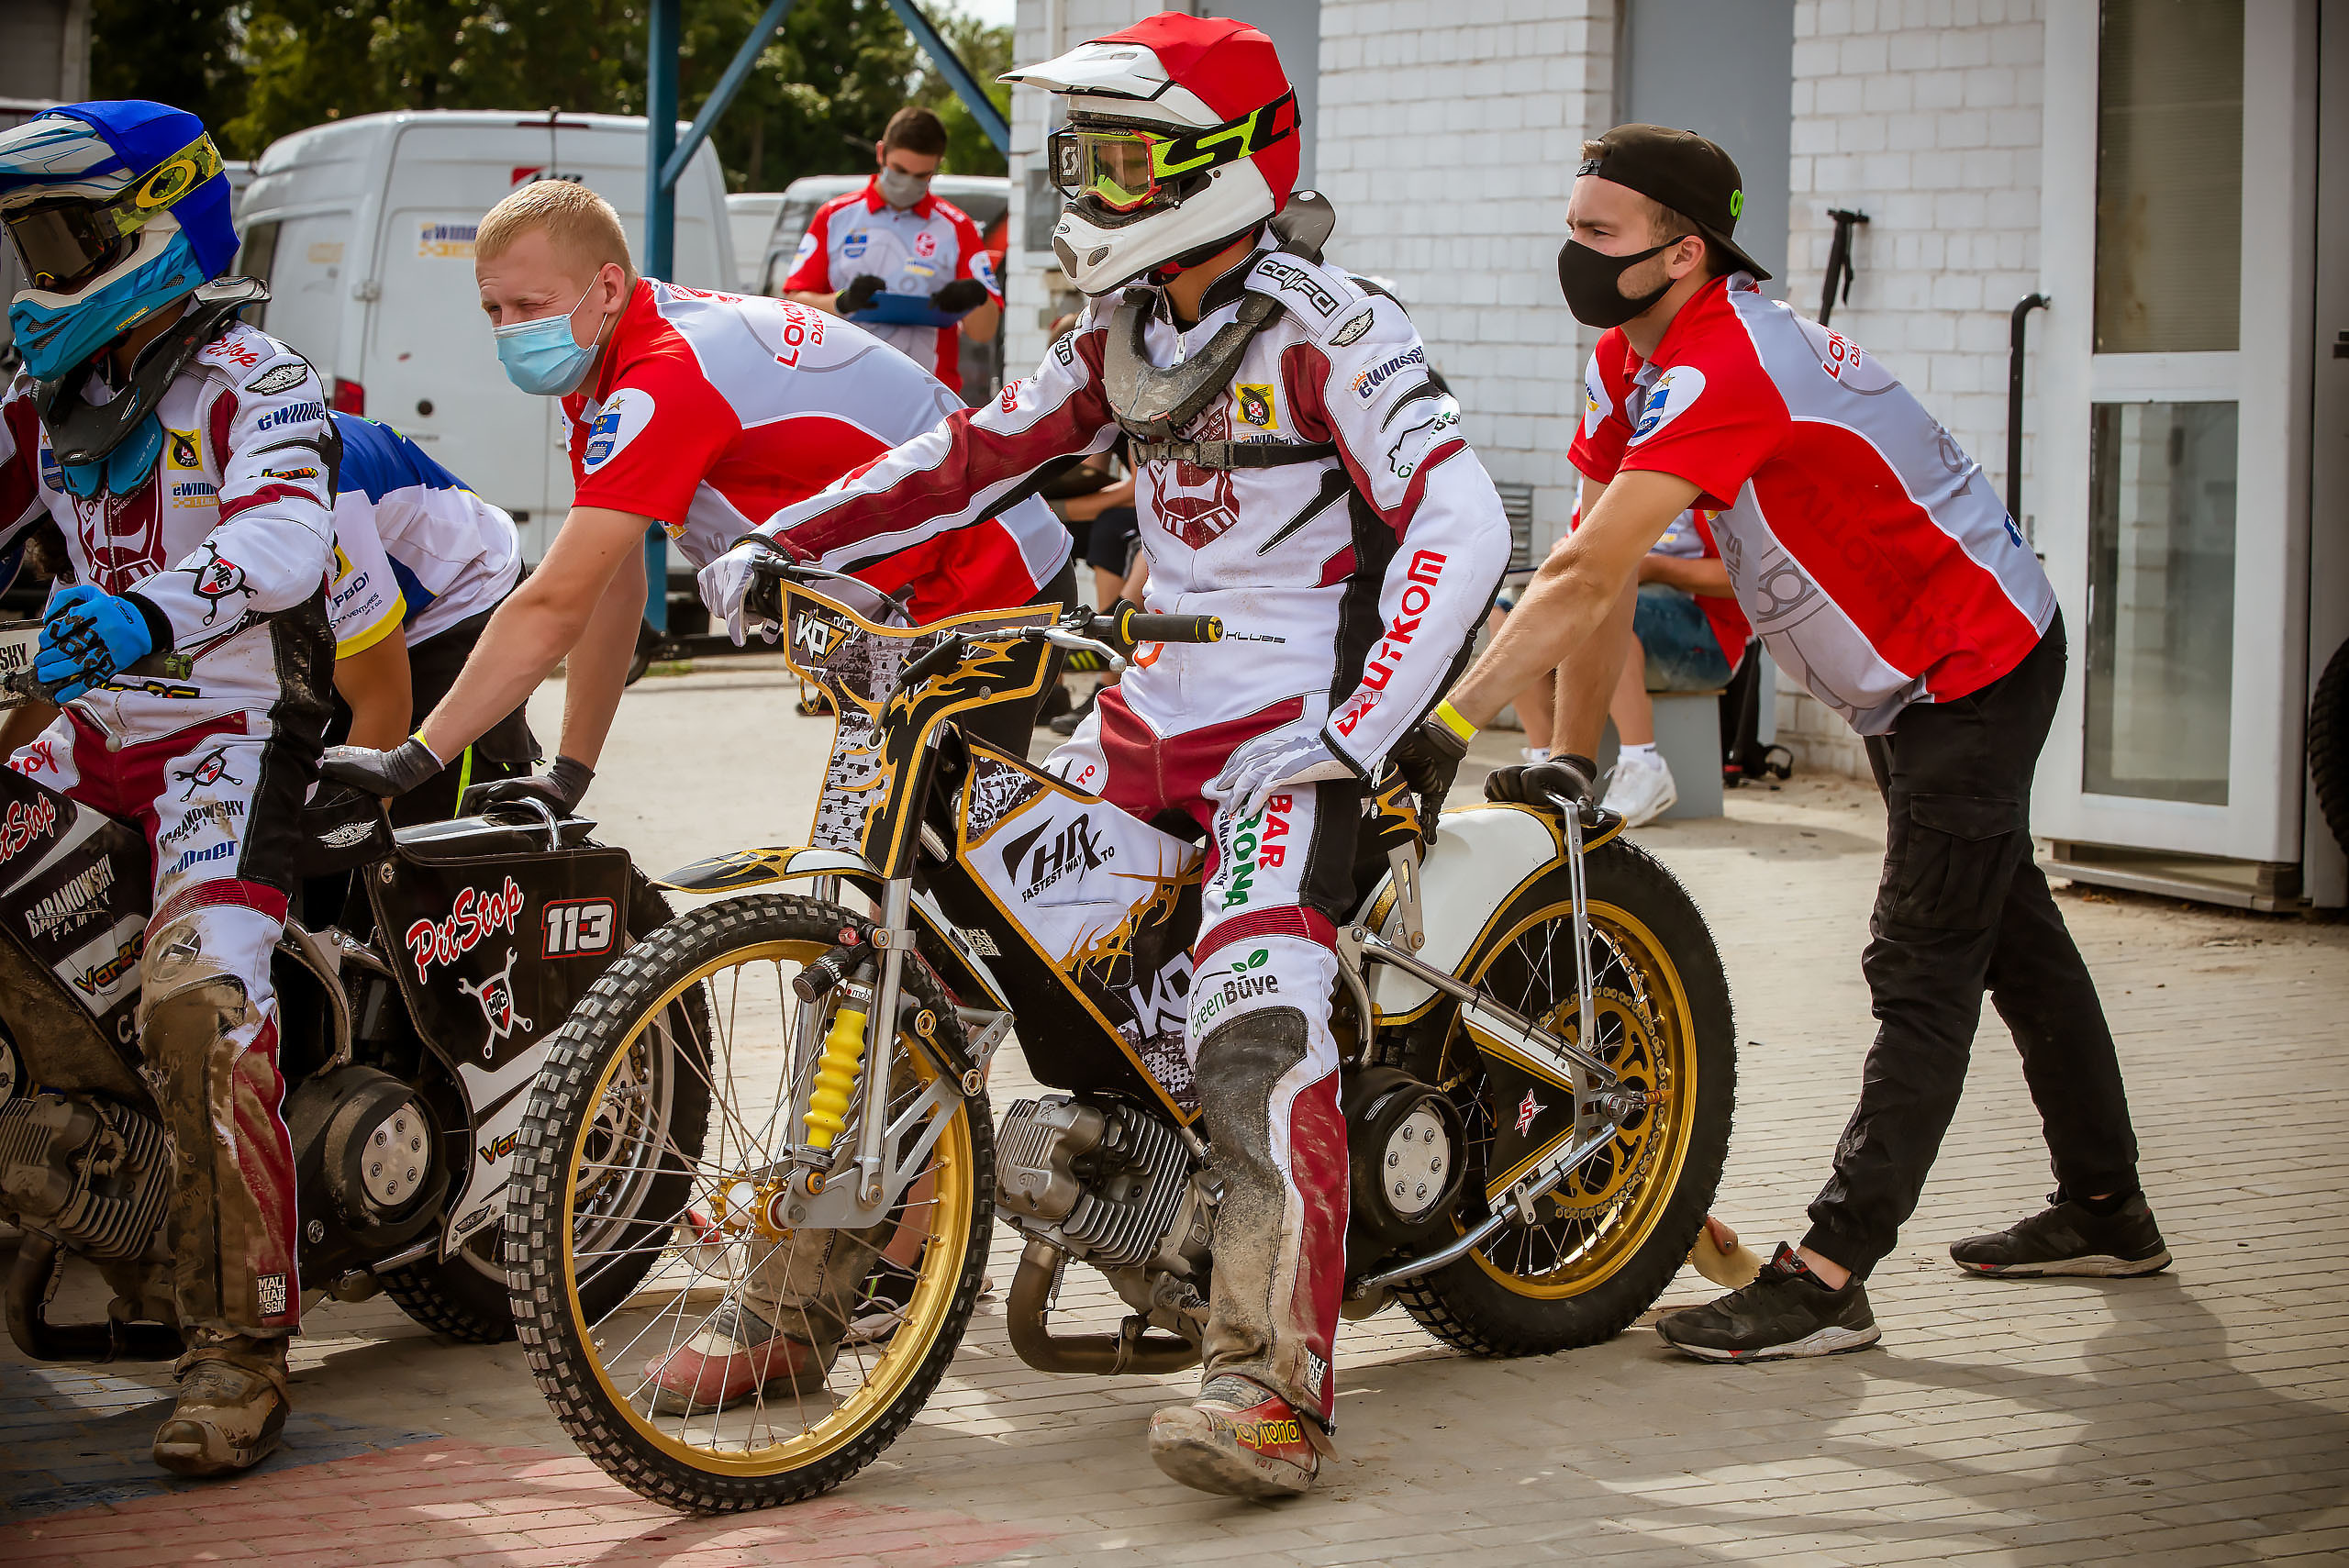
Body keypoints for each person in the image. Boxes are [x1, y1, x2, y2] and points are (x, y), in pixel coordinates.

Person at [702, 12, 1510, 1499]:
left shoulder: (1334, 327)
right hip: (1148, 711)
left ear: (1226, 163)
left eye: (1125, 159)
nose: (1094, 185)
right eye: (1088, 157)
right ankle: (795, 1309)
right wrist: (785, 539)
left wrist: (1357, 732)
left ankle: (1272, 1387)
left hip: (1300, 734)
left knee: (1255, 1015)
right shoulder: (1121, 324)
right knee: (944, 940)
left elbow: (1462, 523)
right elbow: (968, 456)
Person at [1446, 123, 2165, 1364]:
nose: (1574, 253)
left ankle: (1830, 1275)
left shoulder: (1728, 362)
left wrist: (1447, 722)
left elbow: (1585, 574)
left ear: (1683, 252)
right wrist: (1570, 764)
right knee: (2014, 938)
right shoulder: (1628, 359)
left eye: (1599, 233)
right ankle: (2108, 1206)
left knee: (1922, 962)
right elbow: (1593, 570)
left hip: (1973, 665)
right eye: (1570, 227)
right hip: (1909, 682)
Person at [316, 179, 1072, 815]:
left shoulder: (664, 377)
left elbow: (554, 604)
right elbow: (611, 584)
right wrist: (569, 774)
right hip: (898, 600)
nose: (510, 331)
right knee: (886, 864)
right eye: (495, 311)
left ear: (607, 287)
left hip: (989, 578)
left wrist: (416, 757)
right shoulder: (600, 368)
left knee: (940, 871)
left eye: (531, 306)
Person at [0, 100, 338, 1474]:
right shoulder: (41, 392)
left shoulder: (258, 375)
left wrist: (149, 609)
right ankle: (107, 1203)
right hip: (93, 718)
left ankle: (238, 1345)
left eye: (65, 233)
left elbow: (291, 533)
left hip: (232, 727)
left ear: (154, 221)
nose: (45, 267)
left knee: (199, 1008)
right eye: (29, 239)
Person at [321, 412, 534, 823]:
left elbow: (382, 704)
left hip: (458, 594)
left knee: (425, 817)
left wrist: (351, 839)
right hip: (368, 591)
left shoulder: (327, 500)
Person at [782, 106, 1002, 399]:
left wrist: (974, 297)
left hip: (926, 398)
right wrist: (842, 302)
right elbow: (793, 304)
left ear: (936, 167)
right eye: (900, 171)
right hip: (841, 391)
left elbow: (984, 331)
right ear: (881, 153)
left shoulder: (957, 227)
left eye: (921, 176)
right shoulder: (834, 217)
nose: (907, 183)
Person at [1582, 506, 1750, 827]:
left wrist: (1653, 568)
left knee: (1604, 610)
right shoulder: (1600, 479)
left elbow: (1746, 576)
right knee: (1510, 606)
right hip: (1638, 612)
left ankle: (1643, 763)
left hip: (1710, 637)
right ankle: (1549, 762)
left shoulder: (1711, 485)